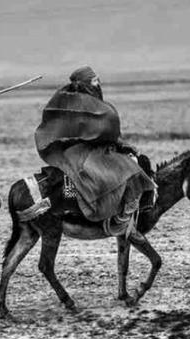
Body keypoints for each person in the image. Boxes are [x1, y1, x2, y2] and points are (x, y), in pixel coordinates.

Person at [34, 66, 155, 222]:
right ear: (86, 84)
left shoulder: (78, 103)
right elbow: (100, 132)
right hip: (85, 151)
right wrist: (120, 144)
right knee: (129, 165)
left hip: (87, 147)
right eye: (94, 80)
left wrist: (118, 142)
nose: (98, 83)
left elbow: (102, 131)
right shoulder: (83, 105)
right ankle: (126, 207)